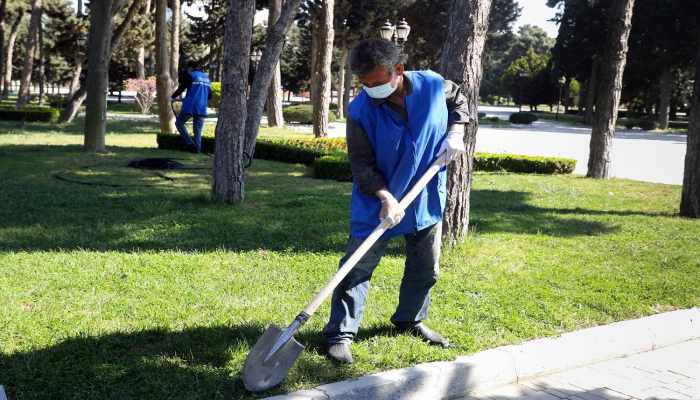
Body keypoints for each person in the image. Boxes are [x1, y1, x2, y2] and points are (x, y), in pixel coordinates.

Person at [322, 38, 470, 366]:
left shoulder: (432, 85)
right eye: (364, 84)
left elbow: (458, 96)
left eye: (376, 82)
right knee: (356, 267)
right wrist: (386, 198)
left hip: (425, 194)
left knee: (425, 266)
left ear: (398, 71)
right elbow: (361, 163)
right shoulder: (360, 110)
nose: (370, 90)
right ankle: (340, 333)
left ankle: (410, 320)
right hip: (379, 201)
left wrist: (457, 130)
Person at [171, 61, 212, 153]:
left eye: (188, 68)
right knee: (197, 130)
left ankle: (190, 144)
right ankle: (197, 148)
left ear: (190, 67)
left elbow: (182, 88)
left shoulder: (191, 75)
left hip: (191, 105)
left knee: (179, 123)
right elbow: (209, 96)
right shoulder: (207, 79)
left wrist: (172, 97)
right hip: (202, 107)